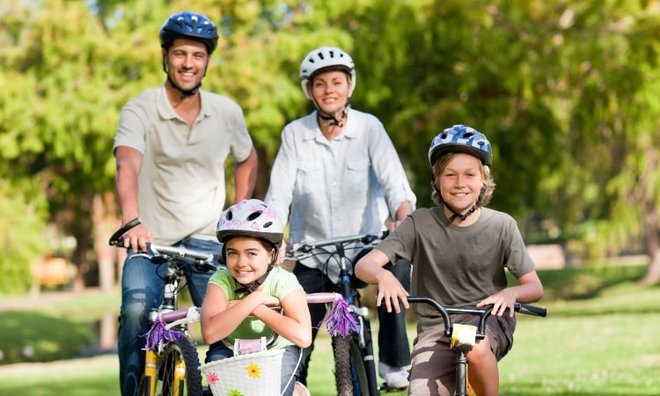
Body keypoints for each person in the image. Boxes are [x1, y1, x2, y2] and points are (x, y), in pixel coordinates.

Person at [113, 11, 258, 396]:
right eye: (180, 54)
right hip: (149, 239)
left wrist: (237, 220)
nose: (188, 63)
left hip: (208, 239)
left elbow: (247, 158)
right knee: (134, 314)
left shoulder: (227, 112)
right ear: (165, 56)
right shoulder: (140, 108)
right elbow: (127, 164)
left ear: (207, 60)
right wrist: (131, 223)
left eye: (197, 54)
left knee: (227, 325)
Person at [265, 46, 416, 389]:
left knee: (395, 267)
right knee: (295, 328)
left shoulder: (369, 128)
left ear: (349, 86)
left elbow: (397, 187)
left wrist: (403, 221)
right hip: (312, 254)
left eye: (337, 81)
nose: (329, 89)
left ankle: (393, 363)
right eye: (320, 84)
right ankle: (293, 383)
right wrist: (273, 237)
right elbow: (278, 197)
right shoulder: (294, 135)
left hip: (364, 247)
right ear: (310, 90)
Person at [354, 124, 545, 396]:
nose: (459, 183)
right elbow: (364, 266)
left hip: (485, 321)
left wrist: (511, 294)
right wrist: (384, 275)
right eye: (450, 174)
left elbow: (534, 288)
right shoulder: (418, 223)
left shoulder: (502, 225)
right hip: (436, 329)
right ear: (436, 180)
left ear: (483, 180)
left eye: (469, 174)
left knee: (476, 349)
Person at [201, 199, 312, 396]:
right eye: (232, 253)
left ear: (271, 255)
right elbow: (210, 333)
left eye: (251, 253)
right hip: (228, 346)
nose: (241, 262)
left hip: (278, 349)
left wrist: (253, 307)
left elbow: (303, 337)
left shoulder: (284, 281)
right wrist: (254, 300)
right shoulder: (221, 280)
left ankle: (294, 390)